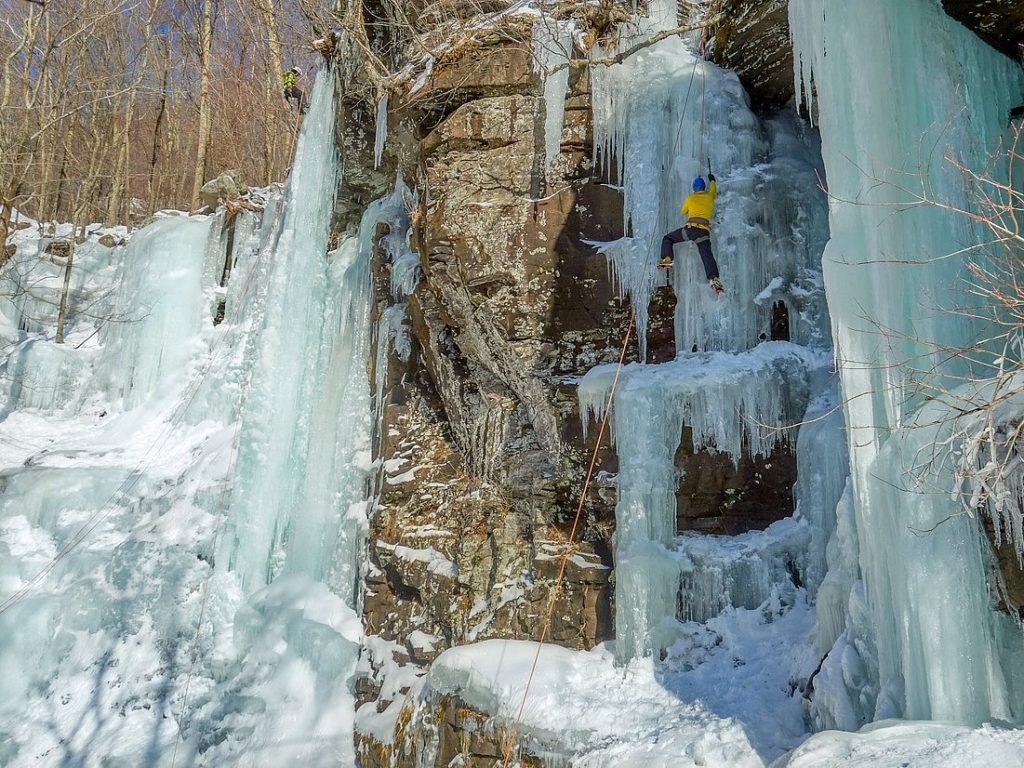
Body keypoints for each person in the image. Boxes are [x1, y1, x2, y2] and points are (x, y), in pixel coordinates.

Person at [658, 173, 724, 294]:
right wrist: (712, 180)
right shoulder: (710, 197)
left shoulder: (690, 198)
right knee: (707, 255)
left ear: (694, 188)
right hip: (703, 232)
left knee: (668, 238)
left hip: (690, 230)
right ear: (704, 188)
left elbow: (683, 211)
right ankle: (714, 279)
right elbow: (714, 189)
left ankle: (667, 258)